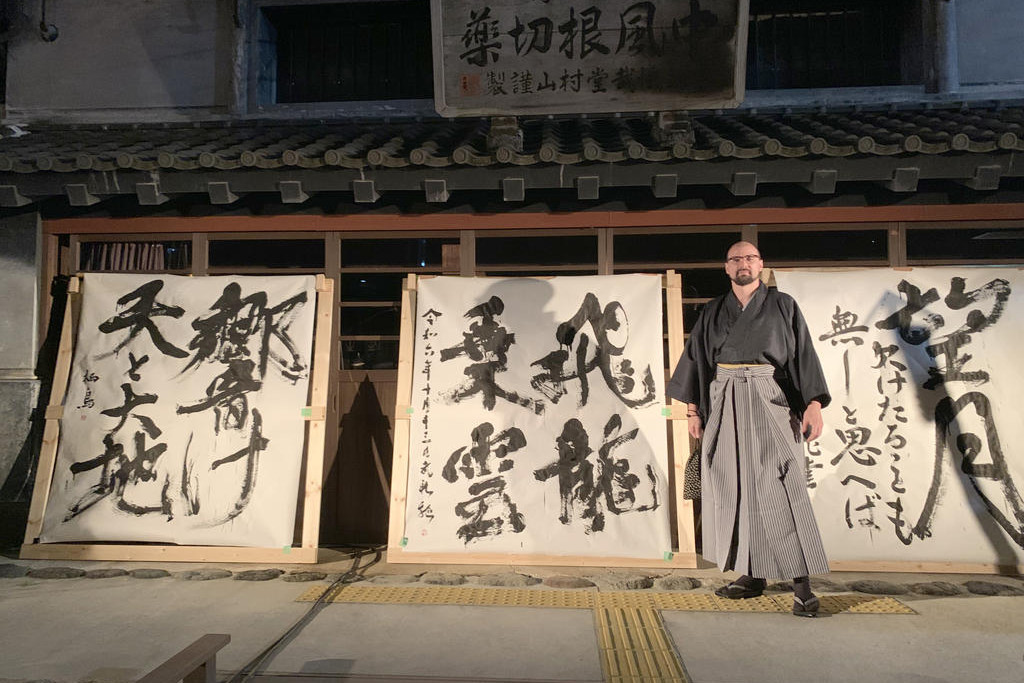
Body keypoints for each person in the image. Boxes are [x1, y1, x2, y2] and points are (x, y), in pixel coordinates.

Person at [667, 241, 830, 617]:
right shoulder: (712, 311)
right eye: (736, 259)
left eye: (750, 258)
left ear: (761, 265)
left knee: (780, 484)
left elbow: (803, 354)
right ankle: (751, 573)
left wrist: (814, 403)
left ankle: (801, 583)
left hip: (768, 395)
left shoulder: (783, 305)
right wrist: (693, 410)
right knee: (732, 483)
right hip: (723, 398)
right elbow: (696, 359)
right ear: (726, 268)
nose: (744, 264)